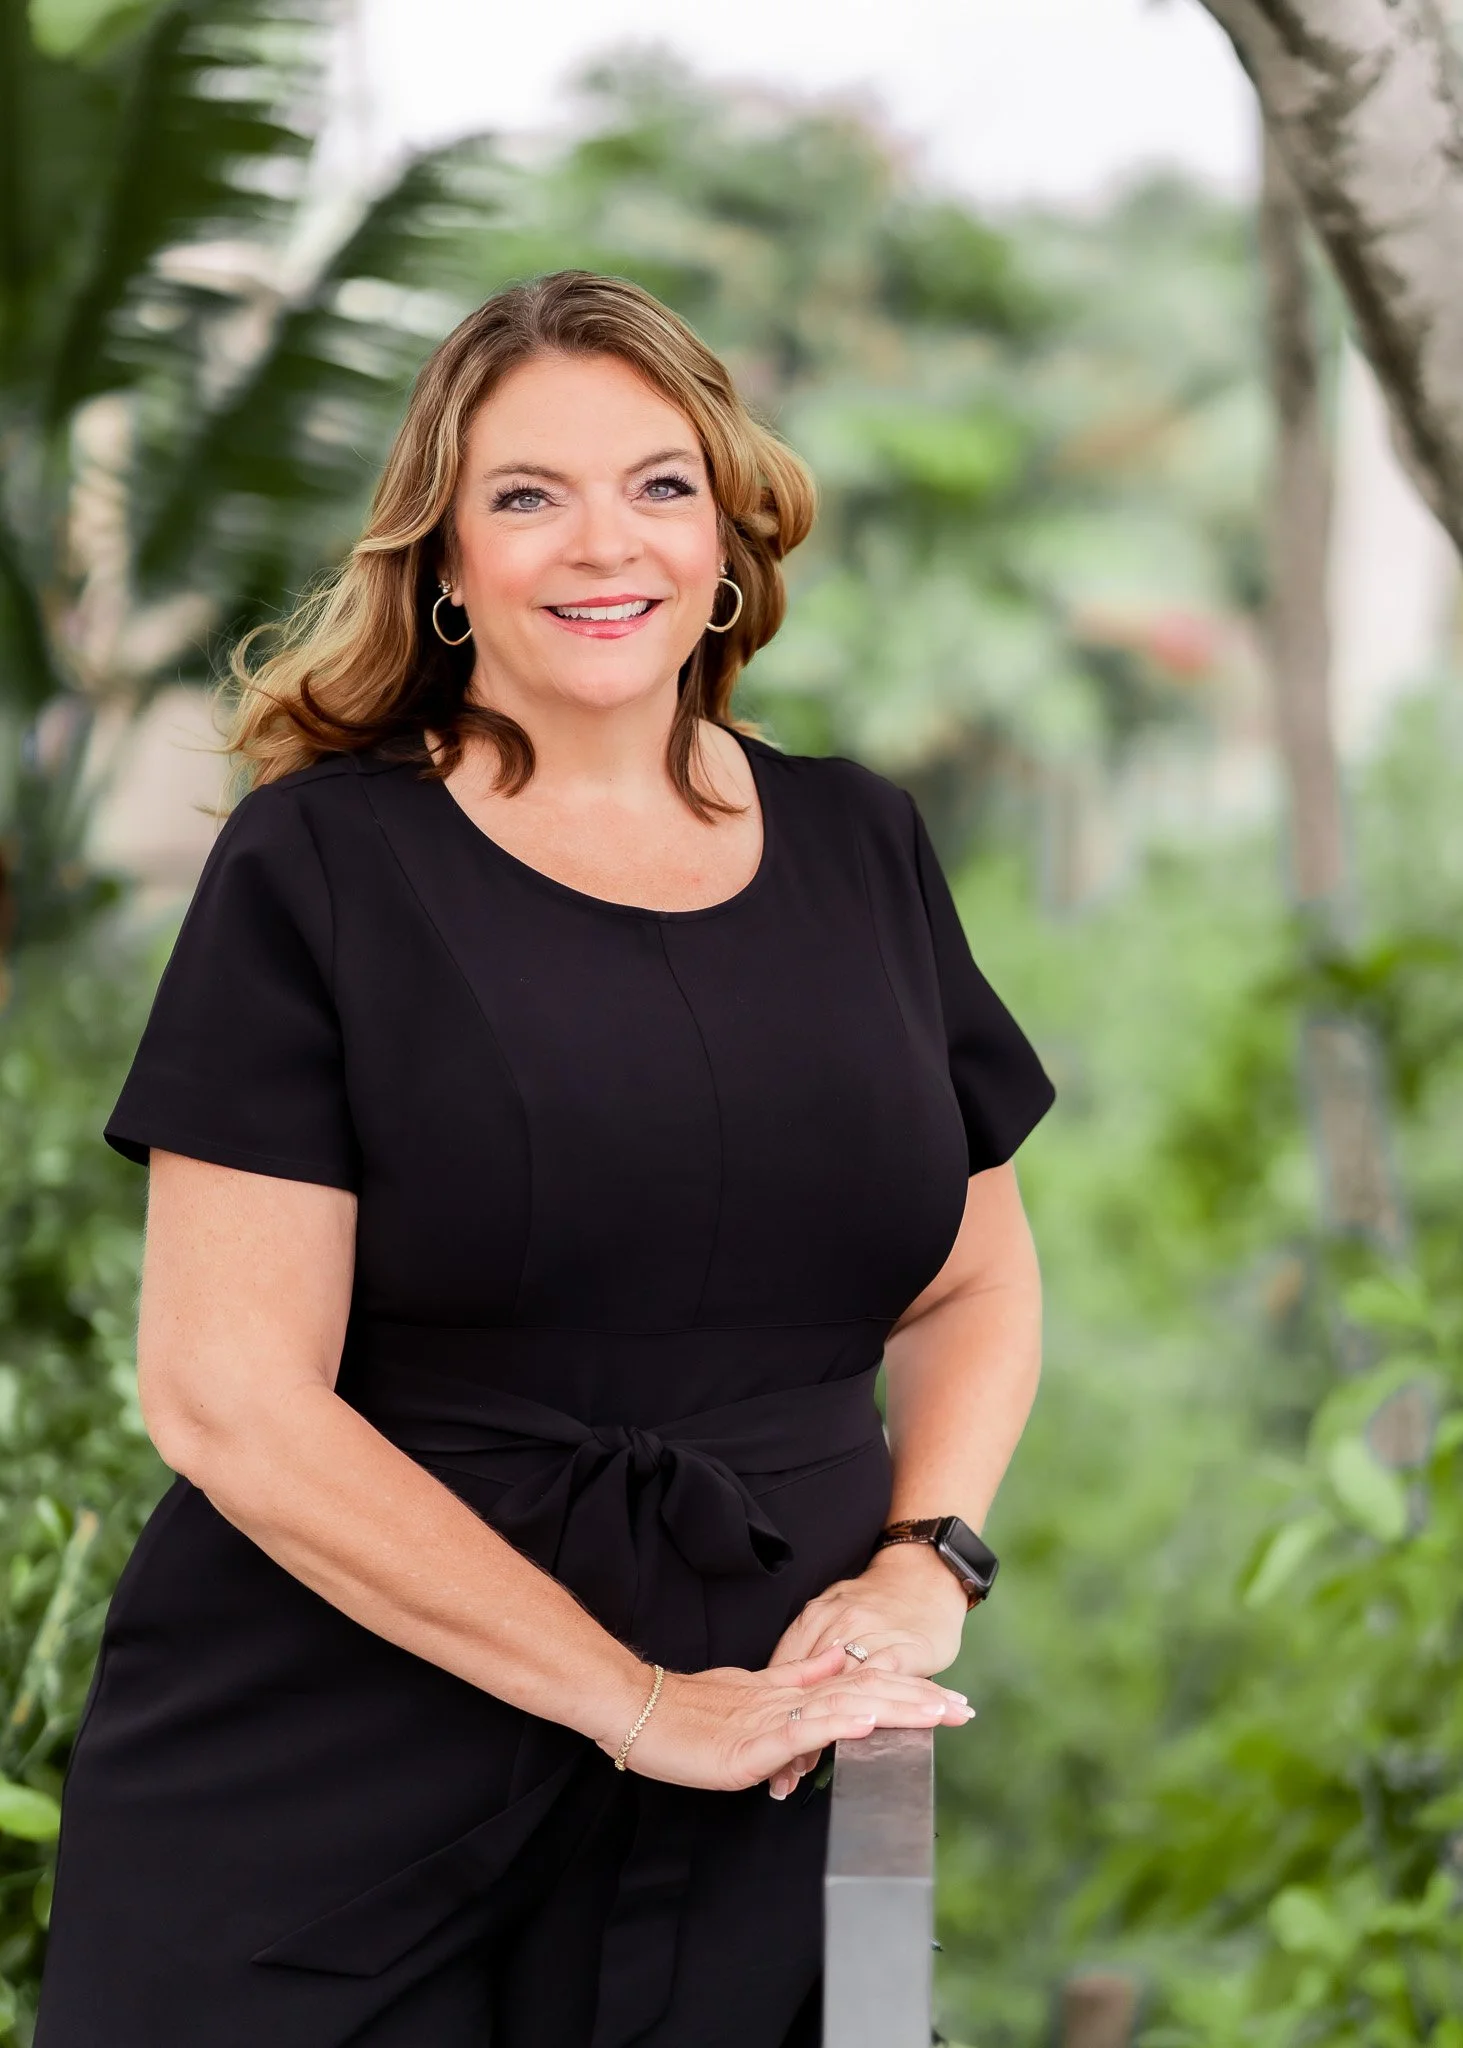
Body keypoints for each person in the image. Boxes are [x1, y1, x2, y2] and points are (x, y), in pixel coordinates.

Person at [36, 270, 1054, 2048]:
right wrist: (637, 1702)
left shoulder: (860, 844)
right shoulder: (318, 868)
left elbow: (971, 1276)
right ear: (441, 559)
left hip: (758, 1765)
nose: (607, 545)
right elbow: (225, 1399)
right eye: (527, 495)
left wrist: (925, 1562)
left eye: (659, 484)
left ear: (728, 533)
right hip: (328, 1780)